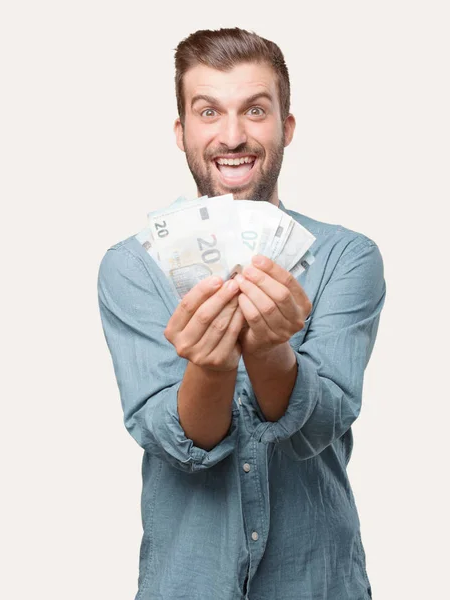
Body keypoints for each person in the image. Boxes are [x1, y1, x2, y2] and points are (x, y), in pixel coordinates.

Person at [97, 27, 386, 600]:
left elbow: (321, 426)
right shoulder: (130, 268)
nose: (233, 136)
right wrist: (211, 365)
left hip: (317, 583)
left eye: (255, 110)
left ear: (287, 126)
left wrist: (271, 349)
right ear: (181, 133)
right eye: (209, 112)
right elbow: (179, 444)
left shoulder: (346, 257)